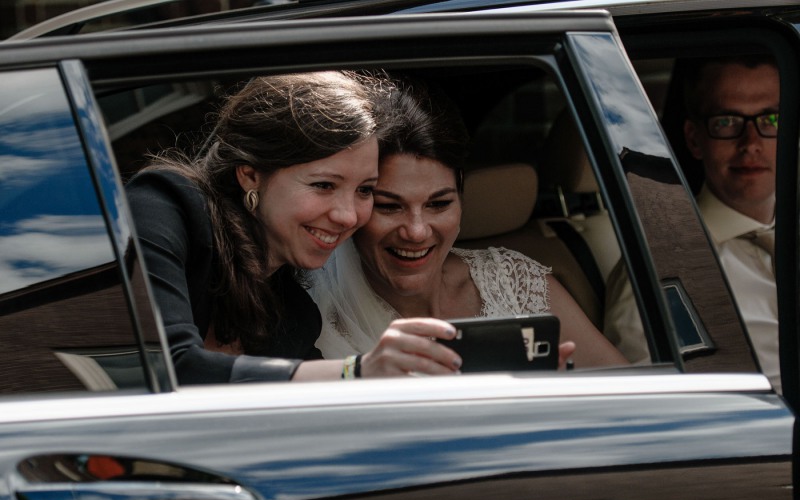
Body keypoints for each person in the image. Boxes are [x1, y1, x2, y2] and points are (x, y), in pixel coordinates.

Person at [126, 71, 463, 385]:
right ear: (251, 175)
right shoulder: (164, 207)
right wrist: (356, 371)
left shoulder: (295, 314)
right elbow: (163, 367)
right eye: (324, 185)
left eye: (364, 190)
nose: (348, 216)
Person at [308, 78, 627, 369]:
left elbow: (630, 396)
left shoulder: (514, 283)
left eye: (439, 203)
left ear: (461, 197)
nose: (417, 231)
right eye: (389, 206)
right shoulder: (309, 308)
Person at [604, 55, 779, 390]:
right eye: (727, 122)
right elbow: (656, 403)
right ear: (694, 139)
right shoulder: (662, 268)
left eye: (771, 119)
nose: (751, 144)